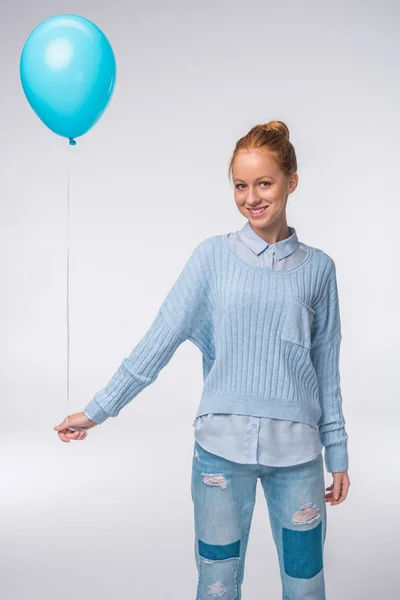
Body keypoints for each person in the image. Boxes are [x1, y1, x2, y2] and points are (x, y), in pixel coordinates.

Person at [54, 120, 351, 599]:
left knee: (306, 585)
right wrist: (98, 410)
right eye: (240, 185)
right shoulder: (211, 259)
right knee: (216, 586)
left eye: (264, 183)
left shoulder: (319, 270)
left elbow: (326, 368)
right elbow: (160, 340)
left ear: (291, 182)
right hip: (219, 455)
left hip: (298, 457)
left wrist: (336, 451)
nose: (251, 197)